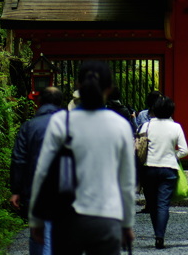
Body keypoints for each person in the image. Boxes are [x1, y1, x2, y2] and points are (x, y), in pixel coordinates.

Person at [28, 60, 136, 255]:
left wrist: (36, 219)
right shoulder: (120, 125)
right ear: (109, 89)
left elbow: (42, 172)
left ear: (78, 86)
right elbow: (126, 182)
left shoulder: (61, 122)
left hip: (67, 217)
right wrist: (127, 223)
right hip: (107, 217)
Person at [10, 86, 64, 255]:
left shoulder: (29, 126)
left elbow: (19, 159)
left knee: (39, 234)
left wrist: (16, 190)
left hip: (35, 189)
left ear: (39, 102)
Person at [140, 95, 188, 250]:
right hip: (168, 169)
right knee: (163, 204)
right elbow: (184, 150)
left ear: (153, 109)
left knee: (152, 204)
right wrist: (173, 156)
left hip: (148, 168)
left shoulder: (145, 126)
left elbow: (137, 148)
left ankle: (156, 233)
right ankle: (160, 236)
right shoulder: (176, 127)